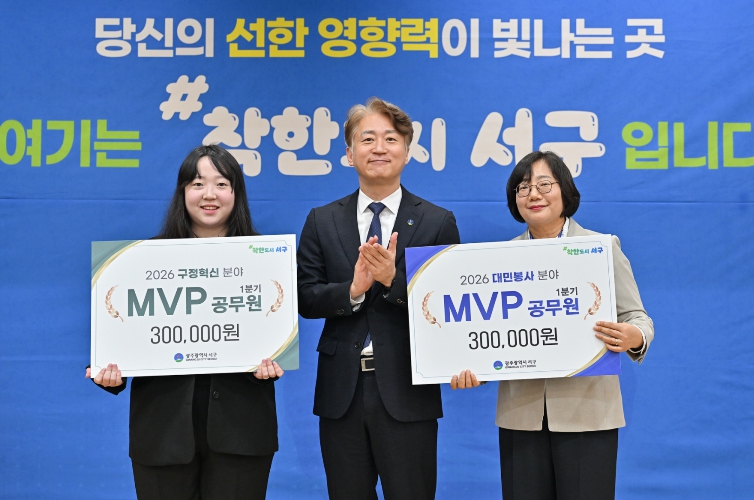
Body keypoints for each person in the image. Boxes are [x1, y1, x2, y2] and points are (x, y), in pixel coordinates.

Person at [451, 150, 654, 500]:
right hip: (521, 416)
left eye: (544, 184)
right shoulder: (496, 260)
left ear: (565, 191)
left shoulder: (601, 248)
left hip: (589, 413)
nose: (533, 194)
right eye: (523, 187)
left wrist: (633, 336)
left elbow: (638, 318)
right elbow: (487, 333)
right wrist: (474, 367)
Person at [86, 144, 284, 500]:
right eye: (197, 184)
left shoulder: (266, 260)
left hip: (242, 433)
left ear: (236, 193)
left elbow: (276, 336)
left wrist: (276, 359)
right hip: (161, 435)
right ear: (182, 192)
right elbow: (124, 339)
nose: (209, 194)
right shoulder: (141, 261)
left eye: (221, 184)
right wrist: (109, 372)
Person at [297, 97, 460, 500]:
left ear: (407, 151)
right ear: (349, 154)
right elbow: (305, 297)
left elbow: (446, 307)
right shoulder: (322, 220)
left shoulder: (437, 221)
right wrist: (352, 291)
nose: (379, 148)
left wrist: (392, 281)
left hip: (407, 390)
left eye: (390, 139)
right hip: (341, 392)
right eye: (367, 139)